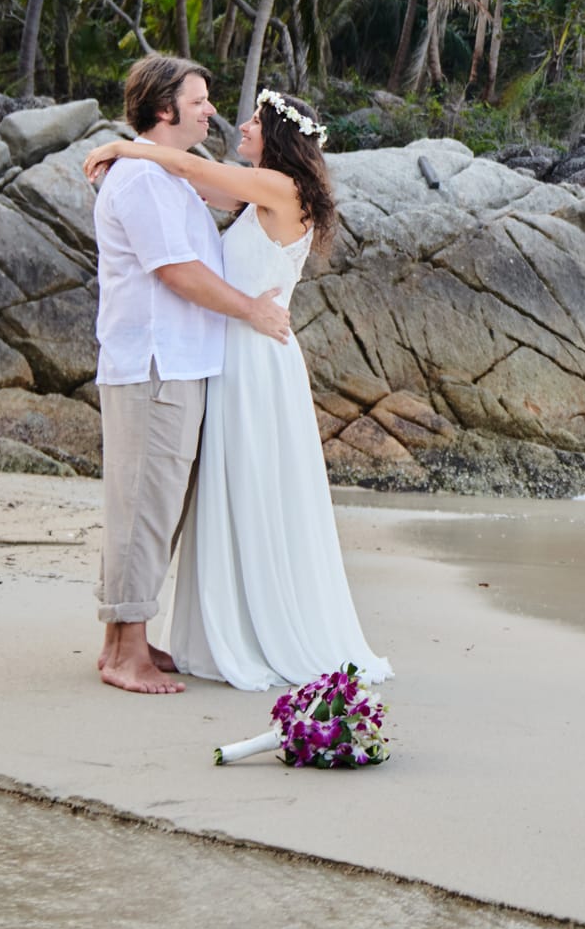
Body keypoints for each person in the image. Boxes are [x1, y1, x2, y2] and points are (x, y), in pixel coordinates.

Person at [82, 86, 393, 690]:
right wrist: (141, 156)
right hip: (225, 354)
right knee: (211, 492)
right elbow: (189, 186)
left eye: (254, 119)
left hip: (254, 357)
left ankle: (241, 626)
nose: (239, 123)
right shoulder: (256, 193)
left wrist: (124, 144)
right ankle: (146, 636)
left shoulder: (281, 189)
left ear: (276, 137)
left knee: (246, 486)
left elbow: (193, 168)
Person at [90, 56, 292, 696]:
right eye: (199, 101)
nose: (211, 111)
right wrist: (251, 310)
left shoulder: (166, 175)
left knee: (157, 506)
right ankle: (124, 654)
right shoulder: (143, 182)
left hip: (178, 364)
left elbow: (240, 191)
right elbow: (175, 270)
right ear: (163, 108)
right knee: (144, 507)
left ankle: (125, 637)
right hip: (156, 365)